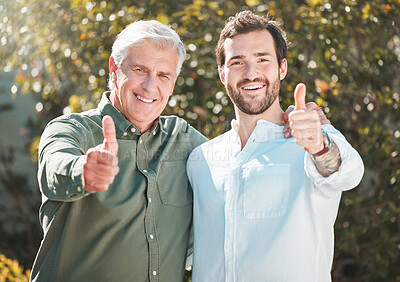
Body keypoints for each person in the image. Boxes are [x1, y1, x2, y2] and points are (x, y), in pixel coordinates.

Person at [186, 11, 364, 282]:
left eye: (262, 59)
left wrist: (319, 145)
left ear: (282, 68)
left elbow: (348, 172)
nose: (251, 73)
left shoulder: (310, 138)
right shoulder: (201, 160)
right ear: (222, 73)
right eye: (237, 62)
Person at [29, 20, 208, 282]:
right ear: (114, 68)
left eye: (163, 75)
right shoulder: (73, 129)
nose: (150, 86)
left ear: (172, 83)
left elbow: (240, 163)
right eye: (140, 69)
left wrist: (284, 130)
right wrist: (84, 171)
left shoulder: (184, 140)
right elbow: (53, 168)